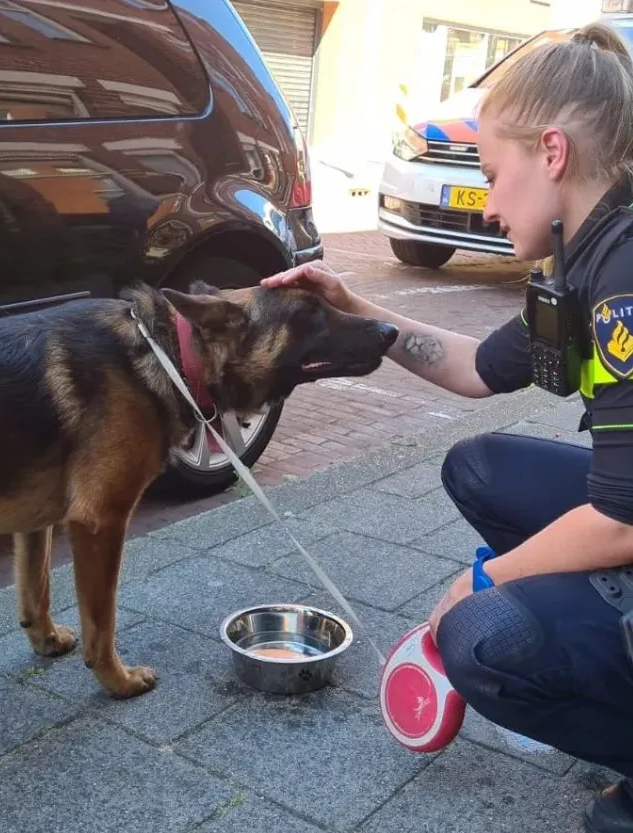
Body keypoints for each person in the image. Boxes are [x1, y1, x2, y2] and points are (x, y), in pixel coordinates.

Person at [262, 22, 633, 833]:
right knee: (480, 469)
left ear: (554, 153)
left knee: (479, 636)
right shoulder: (584, 259)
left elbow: (620, 521)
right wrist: (355, 310)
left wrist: (485, 583)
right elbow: (473, 369)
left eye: (495, 174)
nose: (491, 202)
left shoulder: (623, 284)